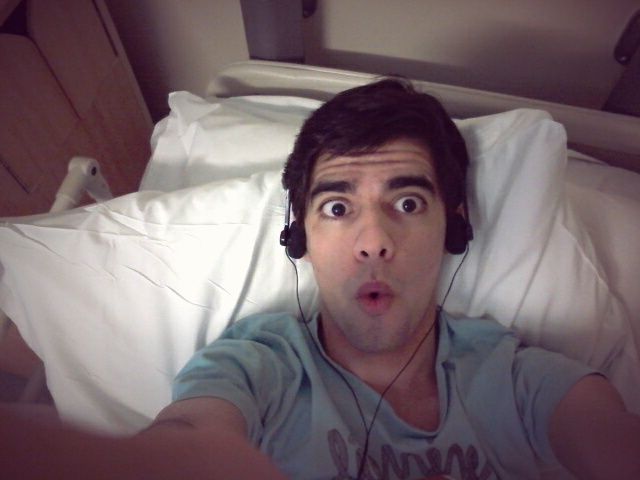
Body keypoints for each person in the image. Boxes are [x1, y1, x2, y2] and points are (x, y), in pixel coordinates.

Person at [1, 79, 639, 480]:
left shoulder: (519, 379)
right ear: (299, 235)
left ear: (454, 223)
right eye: (337, 207)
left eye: (408, 202)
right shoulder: (253, 369)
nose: (373, 240)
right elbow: (191, 441)